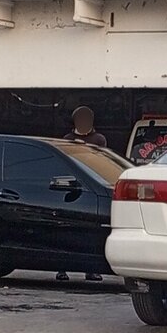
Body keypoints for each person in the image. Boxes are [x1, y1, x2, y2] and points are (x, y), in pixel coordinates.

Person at [56, 106, 106, 283]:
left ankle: (91, 270)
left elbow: (101, 161)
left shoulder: (99, 139)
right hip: (71, 187)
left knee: (90, 231)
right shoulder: (67, 139)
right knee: (66, 229)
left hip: (91, 186)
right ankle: (62, 268)